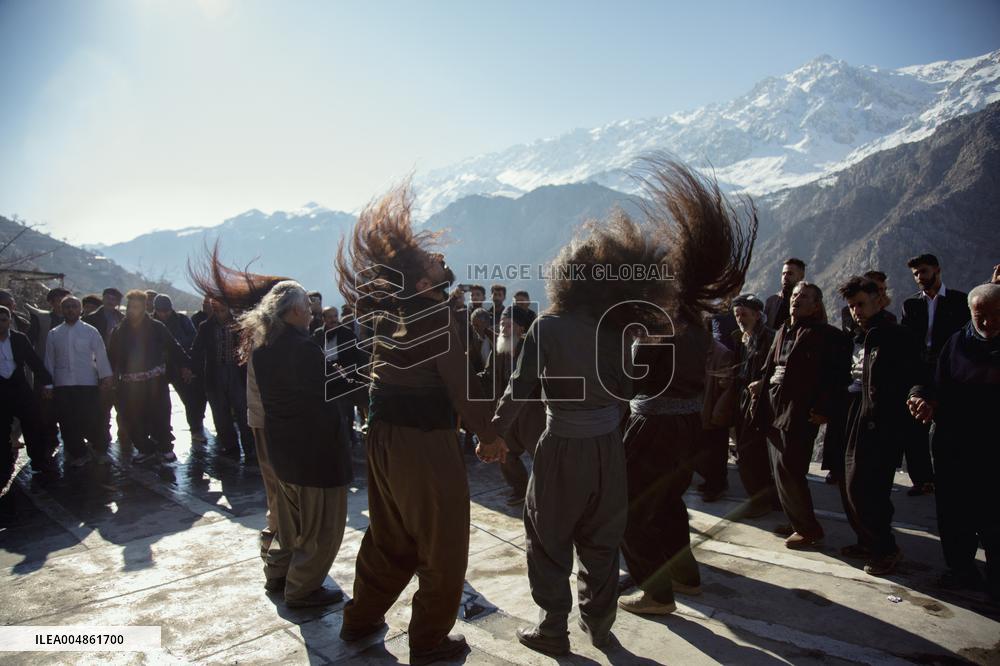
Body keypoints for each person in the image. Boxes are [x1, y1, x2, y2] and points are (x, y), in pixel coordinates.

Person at [496, 161, 756, 651]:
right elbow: (631, 383)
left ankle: (553, 628)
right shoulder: (625, 331)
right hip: (611, 446)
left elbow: (518, 388)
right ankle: (600, 624)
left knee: (548, 536)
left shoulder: (549, 327)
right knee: (602, 537)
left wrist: (493, 435)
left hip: (567, 444)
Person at [336, 184, 506, 666]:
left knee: (390, 537)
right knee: (443, 540)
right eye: (431, 260)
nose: (437, 257)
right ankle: (429, 640)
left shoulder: (393, 319)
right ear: (420, 283)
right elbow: (462, 386)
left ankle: (360, 618)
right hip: (423, 445)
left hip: (385, 441)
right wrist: (491, 437)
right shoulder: (433, 317)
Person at [246, 281, 354, 607]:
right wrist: (343, 376)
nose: (312, 312)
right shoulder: (302, 347)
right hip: (315, 453)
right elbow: (326, 392)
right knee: (322, 528)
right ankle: (302, 589)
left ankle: (277, 576)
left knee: (289, 525)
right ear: (294, 310)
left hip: (284, 450)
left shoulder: (263, 347)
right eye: (308, 307)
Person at [908, 283, 1000, 601]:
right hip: (954, 444)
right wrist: (922, 398)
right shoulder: (957, 344)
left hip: (994, 449)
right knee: (954, 513)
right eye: (981, 316)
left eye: (995, 315)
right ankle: (961, 570)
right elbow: (933, 382)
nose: (988, 323)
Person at [751, 282, 851, 549]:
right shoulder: (783, 329)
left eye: (804, 297)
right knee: (778, 468)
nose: (796, 299)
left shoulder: (827, 335)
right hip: (773, 404)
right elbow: (771, 366)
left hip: (799, 408)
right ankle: (796, 520)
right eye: (795, 295)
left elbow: (837, 377)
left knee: (790, 468)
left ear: (816, 305)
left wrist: (824, 409)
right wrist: (761, 385)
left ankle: (809, 529)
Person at [837, 277, 920, 576]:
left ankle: (886, 548)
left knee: (869, 486)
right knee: (849, 483)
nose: (856, 311)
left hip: (881, 420)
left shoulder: (896, 336)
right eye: (851, 306)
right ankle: (867, 540)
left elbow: (912, 375)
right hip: (854, 412)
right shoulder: (859, 336)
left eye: (860, 304)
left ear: (878, 299)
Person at [900, 254, 971, 496]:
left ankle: (950, 478)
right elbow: (907, 339)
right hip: (919, 372)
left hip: (948, 373)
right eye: (916, 274)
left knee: (948, 427)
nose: (920, 277)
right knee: (914, 428)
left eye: (924, 271)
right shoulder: (911, 305)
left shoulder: (960, 301)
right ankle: (923, 480)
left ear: (937, 270)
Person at [108, 291, 192, 464]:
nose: (133, 310)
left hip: (155, 382)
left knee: (160, 416)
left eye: (137, 307)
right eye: (131, 307)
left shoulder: (157, 327)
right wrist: (108, 376)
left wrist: (186, 366)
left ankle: (165, 448)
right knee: (131, 419)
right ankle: (145, 449)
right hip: (130, 384)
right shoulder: (119, 331)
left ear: (145, 307)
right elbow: (111, 357)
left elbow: (174, 348)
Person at [479, 304, 544, 506]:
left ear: (521, 328)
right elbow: (488, 377)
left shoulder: (532, 349)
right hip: (505, 409)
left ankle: (544, 494)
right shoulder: (498, 350)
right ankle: (520, 489)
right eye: (501, 325)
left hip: (531, 411)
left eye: (508, 325)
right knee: (505, 453)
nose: (503, 329)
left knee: (542, 457)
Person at [43, 295, 114, 467]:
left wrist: (106, 377)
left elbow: (101, 355)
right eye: (66, 307)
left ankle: (99, 449)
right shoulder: (54, 334)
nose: (70, 310)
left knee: (92, 419)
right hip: (63, 384)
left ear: (80, 309)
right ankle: (79, 454)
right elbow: (49, 360)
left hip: (87, 383)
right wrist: (48, 384)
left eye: (74, 306)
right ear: (61, 309)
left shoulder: (90, 331)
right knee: (67, 422)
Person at [730, 294, 778, 516]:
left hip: (761, 402)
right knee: (747, 451)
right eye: (737, 314)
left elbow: (779, 370)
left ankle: (761, 501)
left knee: (752, 453)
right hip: (743, 400)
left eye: (744, 314)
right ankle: (765, 498)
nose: (740, 318)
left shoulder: (770, 338)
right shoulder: (743, 338)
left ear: (757, 315)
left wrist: (763, 384)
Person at [191, 298, 255, 459]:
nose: (220, 313)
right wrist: (191, 369)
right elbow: (197, 349)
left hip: (237, 372)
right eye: (216, 309)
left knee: (242, 411)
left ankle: (250, 449)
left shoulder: (240, 325)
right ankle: (230, 446)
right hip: (215, 373)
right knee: (220, 413)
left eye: (222, 309)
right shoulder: (205, 327)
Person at [0, 305, 56, 482]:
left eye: (3, 320)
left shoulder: (19, 339)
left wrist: (47, 383)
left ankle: (39, 462)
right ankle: (4, 464)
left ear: (9, 321)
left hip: (20, 389)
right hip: (1, 391)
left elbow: (33, 361)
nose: (0, 324)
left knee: (33, 425)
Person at [153, 293, 205, 440]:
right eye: (160, 310)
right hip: (159, 367)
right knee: (160, 402)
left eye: (167, 310)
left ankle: (196, 429)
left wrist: (186, 363)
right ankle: (163, 431)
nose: (164, 314)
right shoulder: (150, 323)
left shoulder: (182, 320)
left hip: (180, 365)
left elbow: (194, 340)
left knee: (190, 399)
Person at [312, 305, 364, 446]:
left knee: (347, 408)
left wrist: (350, 372)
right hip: (326, 374)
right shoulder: (318, 334)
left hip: (344, 373)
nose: (333, 319)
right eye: (330, 317)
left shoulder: (346, 333)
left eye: (335, 316)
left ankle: (351, 437)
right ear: (324, 319)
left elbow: (356, 354)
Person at [763, 258, 805, 330]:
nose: (785, 277)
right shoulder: (772, 301)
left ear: (801, 277)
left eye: (790, 274)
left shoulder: (807, 301)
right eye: (783, 273)